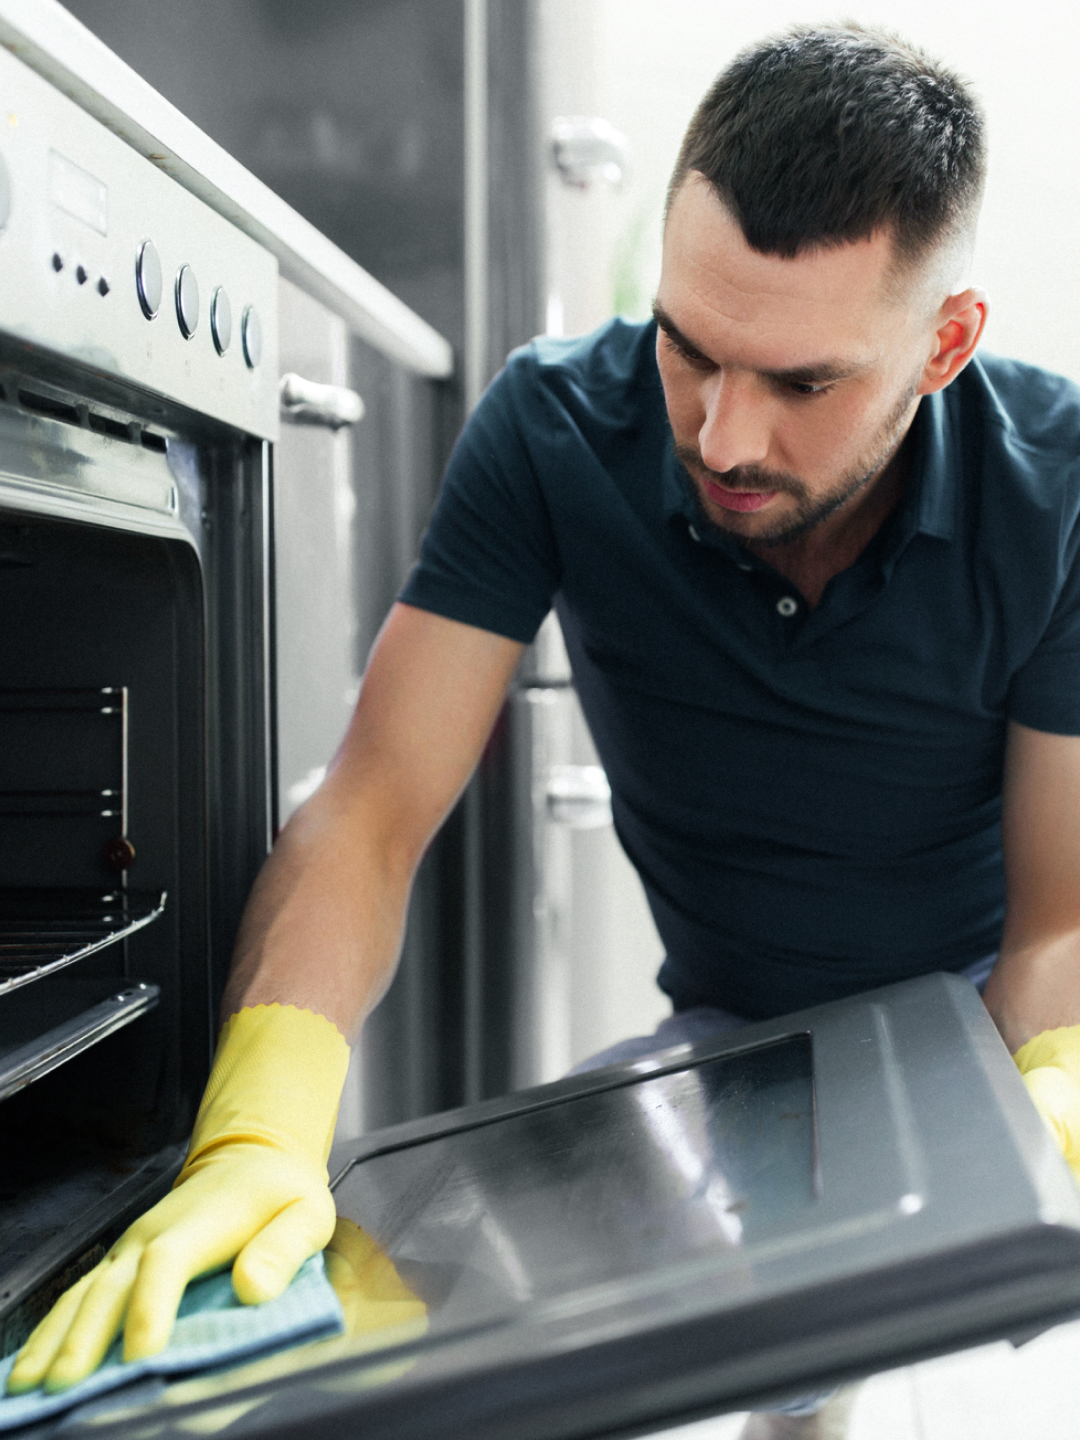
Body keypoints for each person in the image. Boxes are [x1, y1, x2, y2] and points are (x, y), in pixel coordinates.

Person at [10, 21, 1080, 1439]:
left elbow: (1057, 928)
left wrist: (1039, 1111)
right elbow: (373, 808)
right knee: (494, 1358)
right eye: (690, 351)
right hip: (728, 1029)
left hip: (968, 1024)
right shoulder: (556, 427)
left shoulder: (1053, 488)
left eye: (803, 384)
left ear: (943, 344)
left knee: (859, 1322)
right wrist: (255, 1132)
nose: (722, 439)